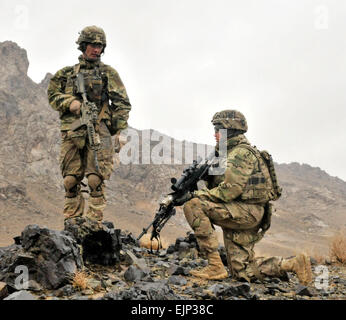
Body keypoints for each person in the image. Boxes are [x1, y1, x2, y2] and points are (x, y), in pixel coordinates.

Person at [181, 109, 312, 285]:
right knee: (242, 273)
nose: (215, 135)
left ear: (231, 131)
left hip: (246, 212)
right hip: (245, 211)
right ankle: (292, 264)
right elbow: (220, 186)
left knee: (193, 204)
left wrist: (194, 195)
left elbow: (228, 191)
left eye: (219, 130)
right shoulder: (228, 153)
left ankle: (215, 266)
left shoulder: (240, 154)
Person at [47, 26, 131, 224]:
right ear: (83, 45)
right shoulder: (65, 74)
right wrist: (71, 103)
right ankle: (72, 223)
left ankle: (93, 225)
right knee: (70, 180)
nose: (97, 50)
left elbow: (122, 103)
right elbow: (52, 95)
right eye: (93, 45)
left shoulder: (108, 73)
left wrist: (120, 131)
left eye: (100, 46)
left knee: (95, 180)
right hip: (72, 131)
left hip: (98, 129)